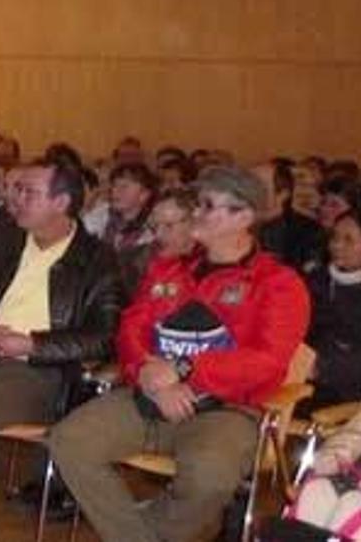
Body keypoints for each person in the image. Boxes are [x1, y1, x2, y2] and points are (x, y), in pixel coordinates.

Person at [49, 166, 311, 542]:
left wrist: (184, 368)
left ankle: (144, 529)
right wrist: (147, 373)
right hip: (150, 397)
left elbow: (266, 361)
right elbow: (131, 329)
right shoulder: (169, 270)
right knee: (69, 441)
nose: (196, 215)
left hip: (227, 409)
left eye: (207, 206)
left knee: (209, 476)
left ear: (245, 217)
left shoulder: (278, 285)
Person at [0, 160, 123, 541]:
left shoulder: (97, 260)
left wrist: (33, 344)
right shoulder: (2, 242)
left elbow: (107, 336)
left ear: (61, 202)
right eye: (16, 189)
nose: (15, 198)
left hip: (41, 375)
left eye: (28, 192)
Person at [300, 208, 361, 412]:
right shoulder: (314, 281)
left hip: (349, 392)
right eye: (334, 237)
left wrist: (324, 368)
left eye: (348, 240)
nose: (336, 245)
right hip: (305, 381)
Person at [120, 187, 199, 293]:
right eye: (155, 226)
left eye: (168, 226)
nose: (159, 235)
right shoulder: (134, 261)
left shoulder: (211, 267)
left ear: (194, 223)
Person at [256, 161, 325, 272]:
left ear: (283, 194)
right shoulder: (236, 225)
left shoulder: (309, 232)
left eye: (259, 187)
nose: (247, 193)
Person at [82, 162, 159, 254]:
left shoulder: (154, 225)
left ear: (144, 195)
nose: (115, 191)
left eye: (124, 187)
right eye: (114, 185)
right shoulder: (98, 216)